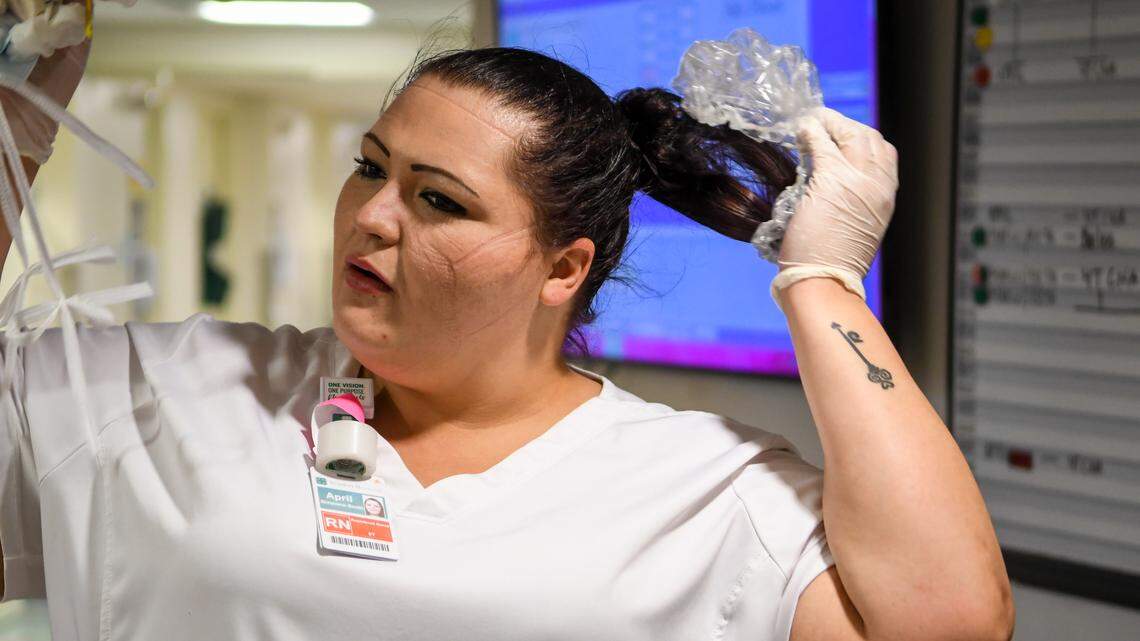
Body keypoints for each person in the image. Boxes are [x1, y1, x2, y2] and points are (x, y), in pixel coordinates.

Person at [0, 32, 1014, 641]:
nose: (373, 215)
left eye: (438, 199)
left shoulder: (698, 489)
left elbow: (949, 622)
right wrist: (13, 125)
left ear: (562, 267)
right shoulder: (173, 387)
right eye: (371, 166)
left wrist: (823, 279)